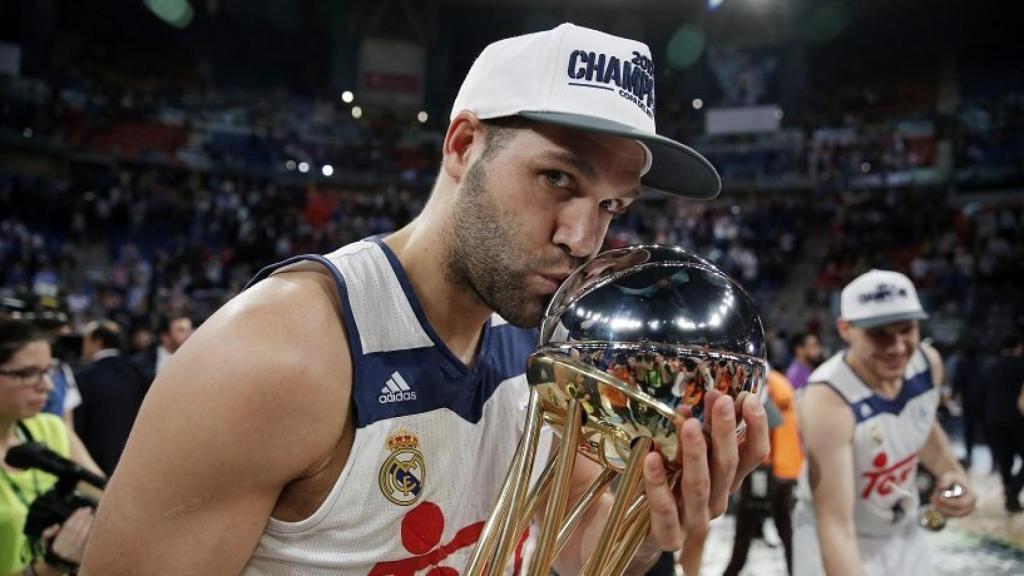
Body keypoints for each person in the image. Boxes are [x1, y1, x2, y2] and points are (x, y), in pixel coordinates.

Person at [81, 23, 769, 575]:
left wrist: (644, 521)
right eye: (558, 179)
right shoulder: (275, 355)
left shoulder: (546, 351)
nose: (583, 239)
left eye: (612, 206)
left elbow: (575, 552)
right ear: (464, 145)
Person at [793, 270, 976, 575]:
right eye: (879, 334)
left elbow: (922, 425)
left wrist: (952, 473)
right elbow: (835, 524)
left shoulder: (927, 363)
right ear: (845, 329)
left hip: (902, 528)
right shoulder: (827, 398)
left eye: (907, 330)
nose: (897, 347)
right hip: (838, 537)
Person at [1, 317, 103, 576]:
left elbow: (107, 499)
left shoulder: (50, 429)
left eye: (48, 371)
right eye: (27, 374)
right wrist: (48, 567)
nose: (46, 386)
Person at [724, 368, 802, 576]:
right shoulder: (779, 381)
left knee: (747, 527)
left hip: (767, 467)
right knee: (782, 527)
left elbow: (767, 425)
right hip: (782, 465)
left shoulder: (763, 380)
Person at [74, 320, 151, 476]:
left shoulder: (84, 377)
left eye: (85, 341)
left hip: (96, 464)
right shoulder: (139, 372)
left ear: (97, 342)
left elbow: (77, 426)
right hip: (136, 460)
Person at [980, 335, 1024, 513]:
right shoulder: (1021, 365)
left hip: (994, 419)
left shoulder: (990, 367)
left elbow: (982, 394)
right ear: (1018, 347)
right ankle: (1013, 490)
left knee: (1005, 461)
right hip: (1018, 419)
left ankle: (1010, 495)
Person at [132, 311, 193, 383]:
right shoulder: (140, 364)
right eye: (181, 331)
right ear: (165, 337)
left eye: (189, 329)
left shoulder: (197, 359)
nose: (189, 334)